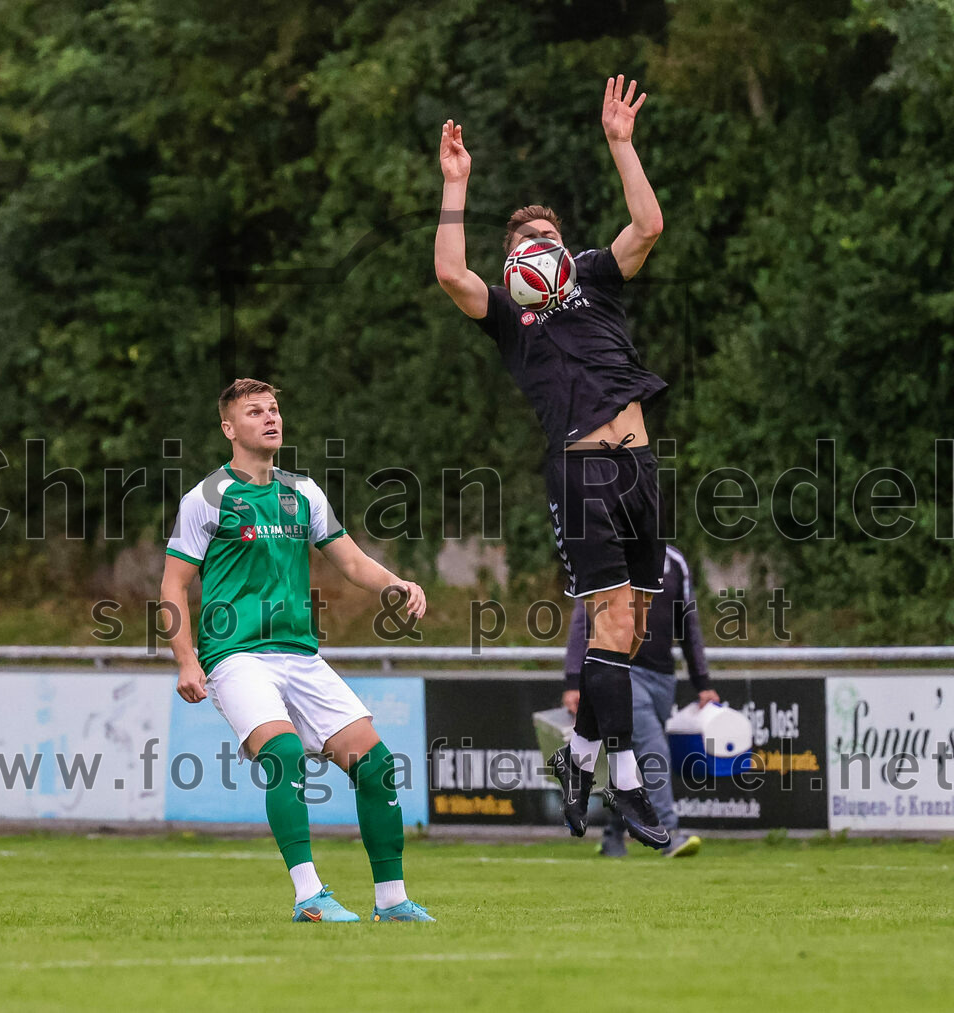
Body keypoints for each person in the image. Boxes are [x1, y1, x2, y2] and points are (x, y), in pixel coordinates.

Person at [435, 75, 670, 847]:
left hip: (640, 466)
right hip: (581, 471)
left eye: (546, 237)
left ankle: (578, 757)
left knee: (630, 631)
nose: (537, 245)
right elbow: (450, 274)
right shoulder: (510, 316)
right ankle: (625, 782)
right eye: (523, 241)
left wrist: (621, 145)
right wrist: (456, 185)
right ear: (512, 262)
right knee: (611, 620)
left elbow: (648, 225)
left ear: (562, 251)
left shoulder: (595, 275)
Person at [159, 378, 434, 922]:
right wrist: (186, 659)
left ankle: (392, 901)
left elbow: (351, 561)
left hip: (300, 654)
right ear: (228, 428)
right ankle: (309, 896)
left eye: (274, 409)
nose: (270, 418)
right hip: (235, 655)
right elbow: (173, 585)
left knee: (377, 766)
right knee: (284, 756)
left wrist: (396, 584)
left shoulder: (303, 492)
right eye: (255, 411)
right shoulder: (207, 497)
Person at [562, 545, 720, 857]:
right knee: (653, 749)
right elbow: (583, 620)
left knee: (637, 761)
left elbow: (688, 623)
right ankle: (668, 832)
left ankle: (613, 835)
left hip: (663, 678)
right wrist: (573, 680)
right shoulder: (606, 553)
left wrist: (702, 683)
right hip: (620, 670)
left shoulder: (675, 562)